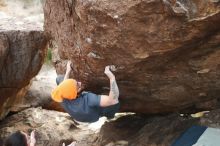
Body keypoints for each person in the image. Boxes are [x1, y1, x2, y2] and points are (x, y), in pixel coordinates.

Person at [51, 61, 120, 123]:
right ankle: (109, 116)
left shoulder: (61, 96)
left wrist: (68, 71)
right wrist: (112, 78)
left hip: (78, 116)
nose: (80, 83)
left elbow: (64, 85)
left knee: (59, 79)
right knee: (115, 104)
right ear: (74, 93)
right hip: (92, 116)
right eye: (77, 85)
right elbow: (112, 100)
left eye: (76, 82)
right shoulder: (88, 99)